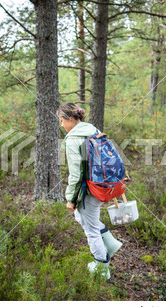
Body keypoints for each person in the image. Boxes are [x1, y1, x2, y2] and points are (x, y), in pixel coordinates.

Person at [57, 102, 123, 280]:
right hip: (103, 185)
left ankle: (102, 269)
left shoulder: (73, 138)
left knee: (91, 230)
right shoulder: (93, 129)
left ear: (71, 119)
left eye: (62, 121)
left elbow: (76, 174)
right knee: (83, 218)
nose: (62, 125)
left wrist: (71, 198)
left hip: (89, 190)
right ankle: (110, 243)